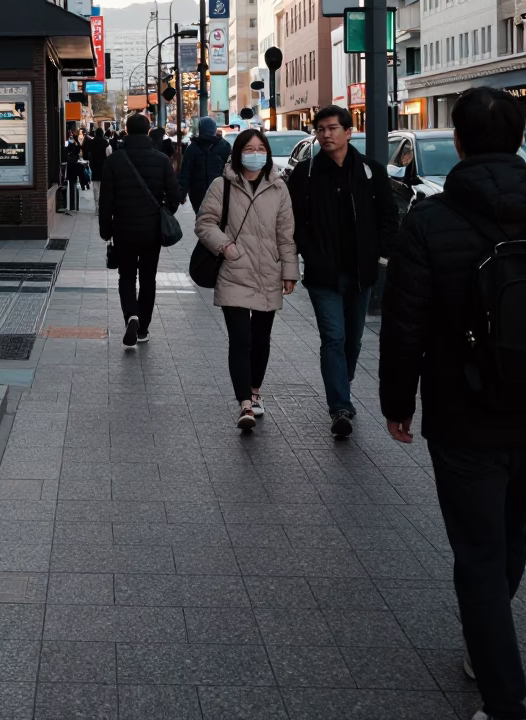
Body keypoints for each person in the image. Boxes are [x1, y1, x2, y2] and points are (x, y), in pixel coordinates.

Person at [380, 87, 526, 720]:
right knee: (512, 539)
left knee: (479, 553)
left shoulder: (430, 220)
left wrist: (396, 403)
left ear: (459, 142)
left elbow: (404, 321)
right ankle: (487, 649)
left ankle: (503, 695)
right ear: (519, 140)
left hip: (464, 410)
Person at [288, 105, 398, 438]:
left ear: (348, 132)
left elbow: (388, 217)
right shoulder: (305, 173)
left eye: (332, 128)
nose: (326, 134)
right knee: (333, 338)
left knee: (353, 340)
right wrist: (309, 252)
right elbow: (292, 221)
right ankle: (340, 406)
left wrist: (382, 255)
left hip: (361, 271)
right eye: (320, 129)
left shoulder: (370, 171)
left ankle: (342, 382)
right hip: (323, 274)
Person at [195, 129, 298, 430]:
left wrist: (290, 271)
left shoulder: (279, 188)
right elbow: (205, 223)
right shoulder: (222, 185)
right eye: (249, 148)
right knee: (240, 340)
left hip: (268, 271)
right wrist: (226, 247)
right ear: (238, 153)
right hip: (234, 270)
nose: (255, 153)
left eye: (260, 148)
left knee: (260, 339)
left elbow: (286, 235)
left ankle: (255, 392)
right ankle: (244, 404)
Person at [99, 113, 180, 348]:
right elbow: (174, 195)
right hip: (152, 230)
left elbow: (106, 200)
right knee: (147, 279)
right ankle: (143, 327)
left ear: (126, 130)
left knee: (126, 276)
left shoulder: (114, 160)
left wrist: (106, 230)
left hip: (123, 229)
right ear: (148, 131)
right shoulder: (162, 159)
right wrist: (164, 212)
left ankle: (130, 316)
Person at [178, 116, 232, 213]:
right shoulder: (224, 145)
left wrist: (182, 194)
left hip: (198, 193)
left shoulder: (192, 148)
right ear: (214, 129)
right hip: (220, 191)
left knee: (202, 220)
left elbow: (185, 173)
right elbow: (232, 170)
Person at [88, 127, 112, 209]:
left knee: (95, 188)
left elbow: (88, 154)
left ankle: (97, 208)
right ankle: (103, 207)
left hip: (94, 167)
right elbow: (109, 155)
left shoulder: (92, 142)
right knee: (104, 189)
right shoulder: (106, 143)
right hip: (104, 168)